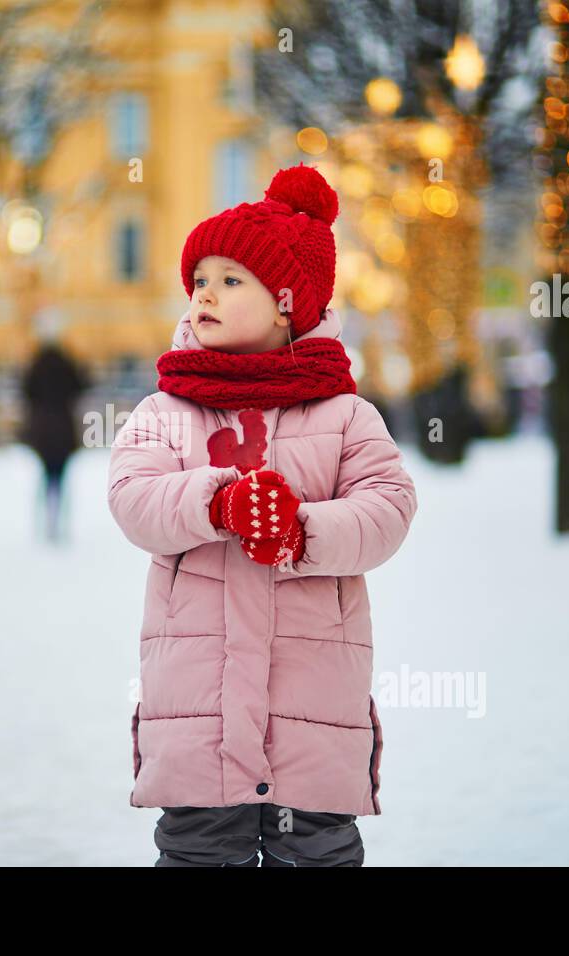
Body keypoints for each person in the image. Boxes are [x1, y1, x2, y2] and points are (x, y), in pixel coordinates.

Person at [107, 165, 418, 866]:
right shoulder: (167, 411)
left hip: (312, 712)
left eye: (229, 279)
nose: (204, 294)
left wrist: (304, 531)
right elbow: (133, 497)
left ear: (286, 304)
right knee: (197, 853)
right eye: (198, 281)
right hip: (199, 714)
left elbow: (389, 507)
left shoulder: (343, 415)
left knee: (317, 854)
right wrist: (213, 503)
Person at [21, 318, 90, 543]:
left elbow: (26, 392)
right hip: (63, 429)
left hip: (41, 430)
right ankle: (58, 522)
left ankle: (45, 523)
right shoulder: (66, 362)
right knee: (61, 478)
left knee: (45, 476)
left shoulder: (35, 363)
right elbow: (81, 387)